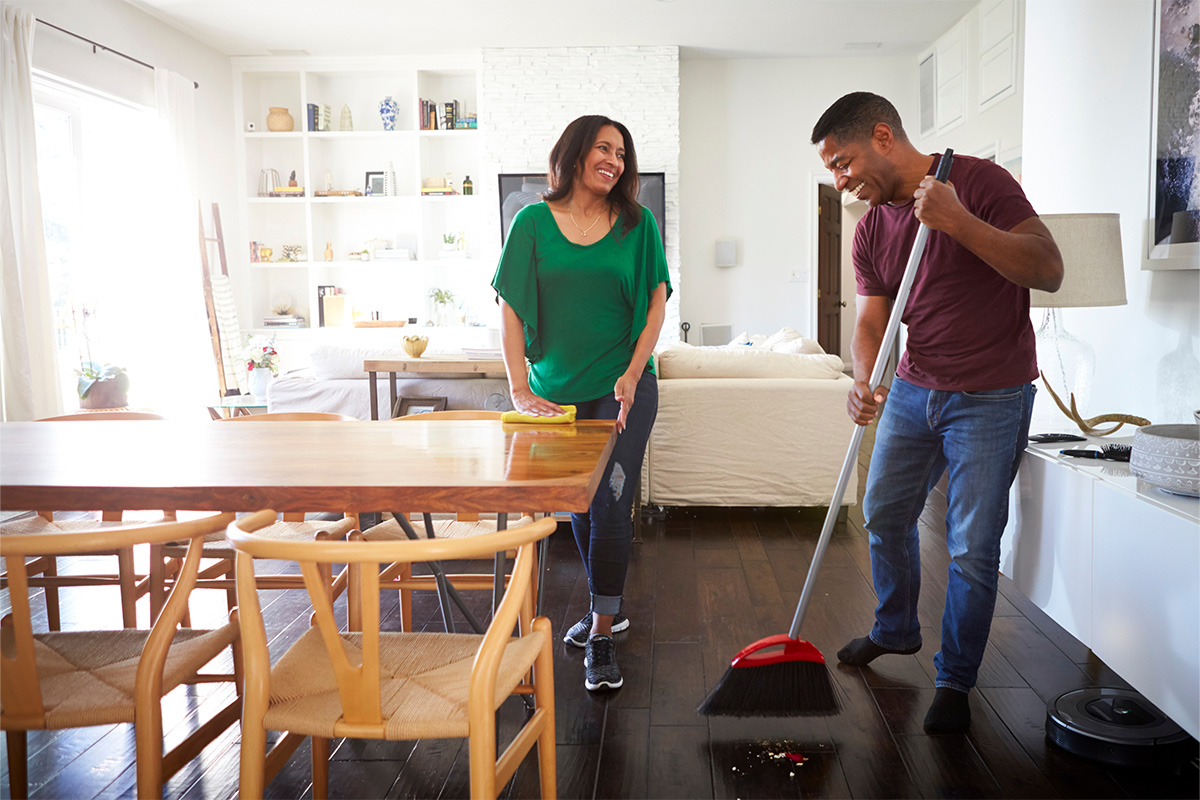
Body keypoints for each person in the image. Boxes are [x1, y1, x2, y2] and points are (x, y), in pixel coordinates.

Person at [810, 92, 1063, 733]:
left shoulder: (979, 182)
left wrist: (958, 222)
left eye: (844, 162)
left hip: (992, 396)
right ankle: (895, 630)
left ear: (883, 136)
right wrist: (864, 378)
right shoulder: (871, 228)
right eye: (832, 170)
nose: (841, 181)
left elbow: (1048, 269)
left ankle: (956, 678)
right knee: (884, 512)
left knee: (971, 545)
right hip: (914, 391)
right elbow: (871, 319)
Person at [492, 115, 671, 692]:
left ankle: (599, 631)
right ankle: (610, 607)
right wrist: (520, 388)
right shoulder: (532, 224)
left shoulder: (636, 225)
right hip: (555, 395)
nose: (615, 160)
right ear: (574, 153)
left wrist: (632, 371)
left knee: (613, 499)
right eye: (604, 148)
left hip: (624, 385)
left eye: (622, 152)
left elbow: (655, 305)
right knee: (580, 504)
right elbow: (511, 310)